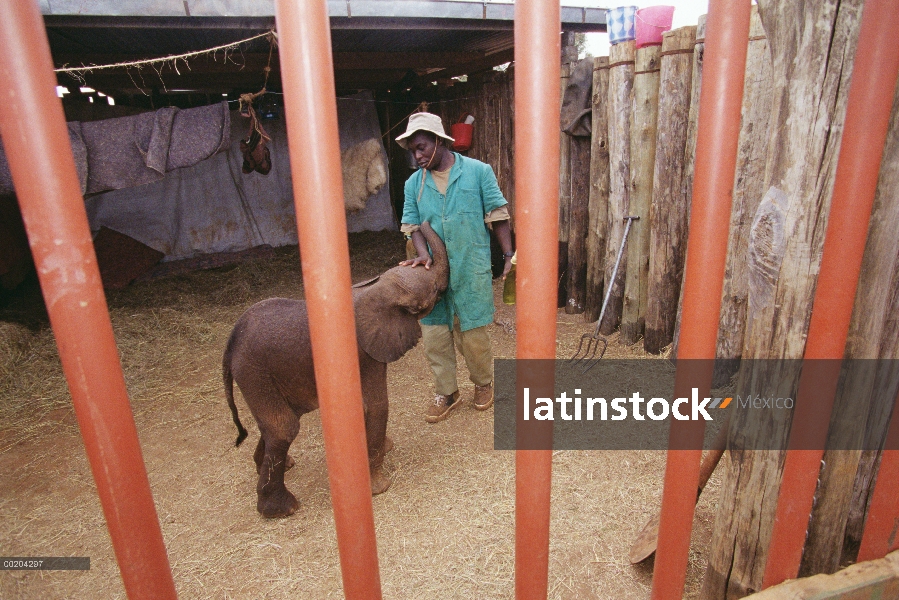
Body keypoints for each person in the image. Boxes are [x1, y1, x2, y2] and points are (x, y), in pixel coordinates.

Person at [395, 112, 513, 423]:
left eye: (421, 147)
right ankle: (446, 392)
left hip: (470, 266)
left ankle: (483, 383)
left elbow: (498, 215)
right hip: (431, 272)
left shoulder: (478, 172)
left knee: (472, 331)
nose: (417, 155)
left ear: (439, 141)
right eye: (412, 151)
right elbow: (412, 226)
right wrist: (423, 256)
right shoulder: (413, 184)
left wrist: (508, 255)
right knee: (434, 333)